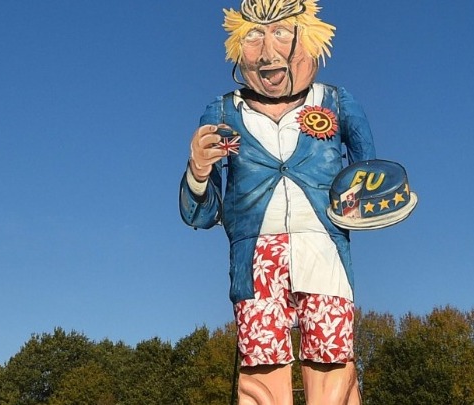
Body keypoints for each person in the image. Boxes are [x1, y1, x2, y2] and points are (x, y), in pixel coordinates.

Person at [179, 1, 375, 403]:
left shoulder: (337, 102)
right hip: (255, 261)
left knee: (333, 362)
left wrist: (372, 200)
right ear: (238, 48)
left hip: (324, 253)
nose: (268, 52)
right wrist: (197, 172)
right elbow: (201, 213)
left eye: (281, 33)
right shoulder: (223, 110)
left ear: (310, 38)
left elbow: (371, 177)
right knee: (261, 367)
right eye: (254, 36)